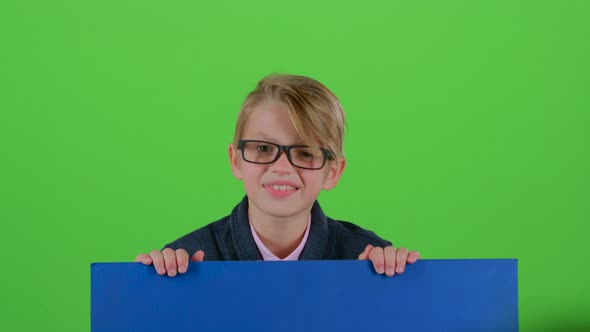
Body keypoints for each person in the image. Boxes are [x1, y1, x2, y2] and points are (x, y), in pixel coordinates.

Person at [136, 73, 420, 277]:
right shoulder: (190, 260)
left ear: (333, 172)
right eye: (262, 148)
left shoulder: (367, 259)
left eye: (305, 153)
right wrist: (157, 283)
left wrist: (392, 282)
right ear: (235, 160)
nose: (281, 167)